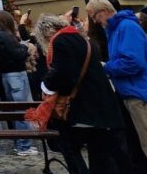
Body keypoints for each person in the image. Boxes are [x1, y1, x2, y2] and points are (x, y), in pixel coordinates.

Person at [40, 13, 133, 174]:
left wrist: (46, 86)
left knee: (69, 145)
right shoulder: (81, 38)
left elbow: (63, 73)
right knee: (99, 150)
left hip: (83, 106)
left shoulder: (60, 41)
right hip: (100, 105)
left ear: (46, 32)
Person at [89, 0, 147, 164]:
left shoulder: (125, 27)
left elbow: (133, 62)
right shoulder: (118, 28)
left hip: (140, 94)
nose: (95, 21)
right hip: (137, 92)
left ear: (104, 11)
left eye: (94, 16)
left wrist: (106, 67)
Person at [0, 10, 39, 156]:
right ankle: (23, 146)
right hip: (16, 75)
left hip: (6, 75)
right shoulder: (4, 36)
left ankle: (20, 143)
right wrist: (25, 47)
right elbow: (17, 54)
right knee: (21, 110)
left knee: (14, 110)